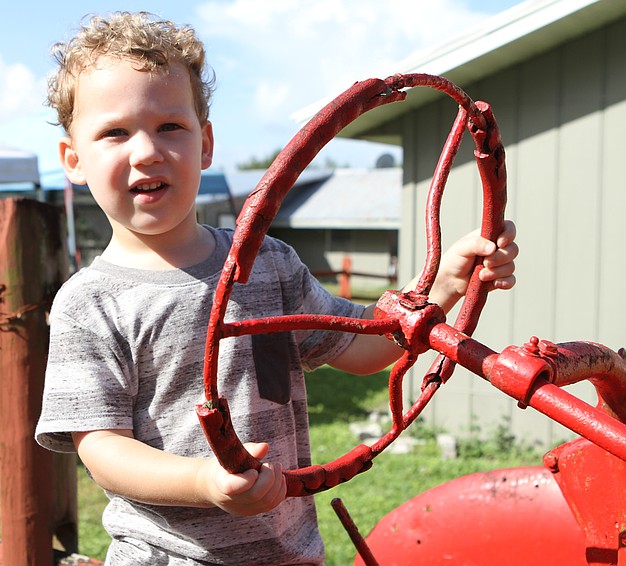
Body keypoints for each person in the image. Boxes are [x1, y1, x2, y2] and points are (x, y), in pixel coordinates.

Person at [35, 12, 519, 565]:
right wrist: (204, 481)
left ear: (206, 143)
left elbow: (366, 345)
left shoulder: (270, 264)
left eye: (171, 126)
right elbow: (102, 448)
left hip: (289, 553)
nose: (146, 151)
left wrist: (450, 283)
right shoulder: (87, 303)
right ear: (74, 160)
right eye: (115, 132)